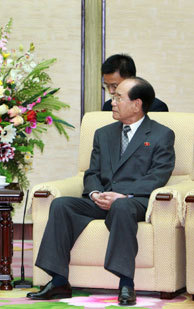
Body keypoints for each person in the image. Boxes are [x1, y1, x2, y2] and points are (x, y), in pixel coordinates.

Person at [27, 77, 175, 306]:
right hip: (101, 199)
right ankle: (58, 280)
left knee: (122, 206)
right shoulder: (103, 134)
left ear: (137, 104)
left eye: (118, 98)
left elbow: (158, 176)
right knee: (61, 204)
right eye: (113, 97)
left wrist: (121, 194)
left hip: (134, 202)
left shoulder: (160, 134)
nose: (112, 102)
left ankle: (126, 282)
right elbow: (92, 172)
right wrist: (95, 193)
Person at [101, 54, 168, 112]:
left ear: (131, 80)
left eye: (115, 86)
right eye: (107, 85)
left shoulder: (156, 107)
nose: (111, 91)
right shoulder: (108, 107)